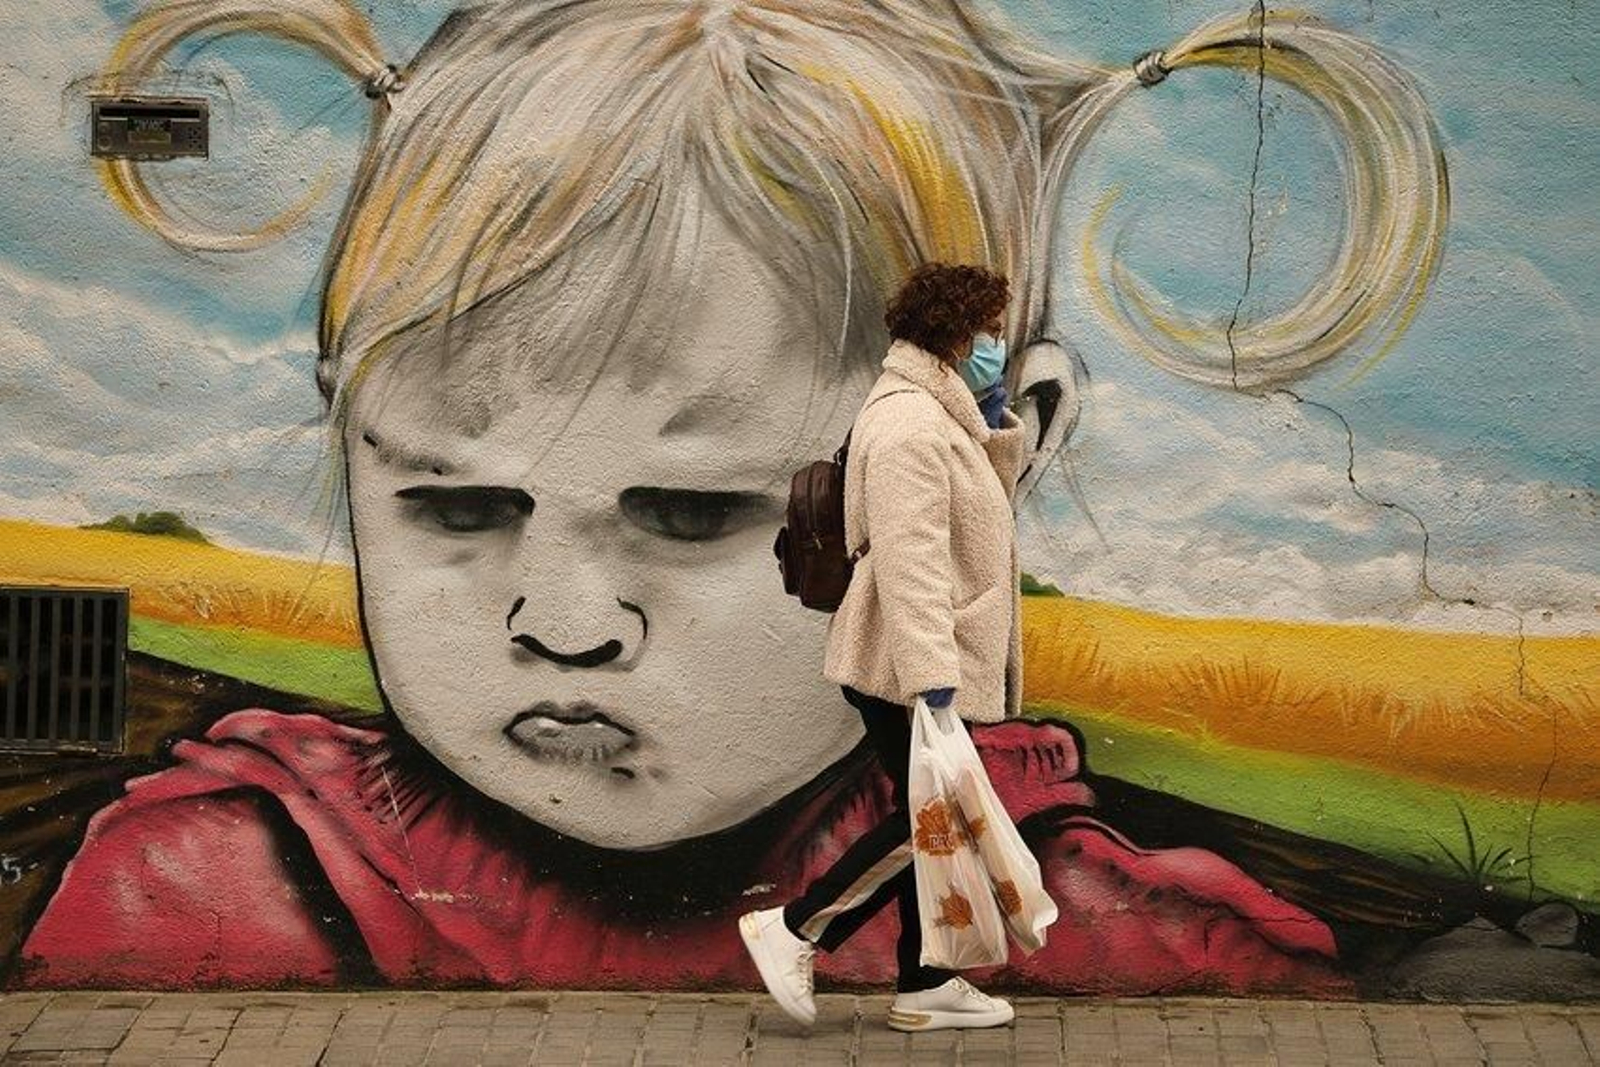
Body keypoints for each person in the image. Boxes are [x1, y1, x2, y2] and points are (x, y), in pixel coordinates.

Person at [22, 0, 1439, 995]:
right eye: (457, 506)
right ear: (348, 429)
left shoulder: (1131, 944)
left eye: (695, 513)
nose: (563, 620)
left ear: (1013, 437)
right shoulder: (227, 883)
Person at [741, 263, 1029, 1031]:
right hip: (906, 663)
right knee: (932, 820)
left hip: (919, 658)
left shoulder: (937, 414)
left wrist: (988, 424)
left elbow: (974, 519)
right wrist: (933, 678)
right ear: (955, 336)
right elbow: (912, 558)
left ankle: (925, 982)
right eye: (989, 331)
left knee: (929, 815)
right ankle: (794, 928)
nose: (998, 344)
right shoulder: (908, 424)